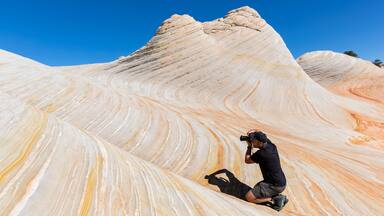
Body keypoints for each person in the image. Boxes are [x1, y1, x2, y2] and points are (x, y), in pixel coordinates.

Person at [243, 129, 288, 211]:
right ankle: (274, 196)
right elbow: (262, 135)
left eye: (254, 140)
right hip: (280, 182)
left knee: (249, 197)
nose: (252, 141)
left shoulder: (262, 154)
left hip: (275, 185)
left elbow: (247, 160)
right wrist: (254, 131)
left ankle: (275, 199)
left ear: (260, 143)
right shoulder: (271, 145)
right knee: (256, 188)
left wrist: (249, 146)